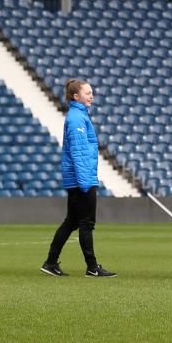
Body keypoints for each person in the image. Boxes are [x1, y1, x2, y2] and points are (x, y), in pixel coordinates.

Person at [42, 79, 116, 278]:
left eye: (91, 92)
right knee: (86, 223)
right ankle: (92, 267)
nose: (92, 96)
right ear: (76, 96)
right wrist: (85, 183)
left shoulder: (78, 116)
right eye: (87, 93)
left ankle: (50, 262)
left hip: (78, 178)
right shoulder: (76, 119)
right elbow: (79, 152)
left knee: (72, 222)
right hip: (81, 179)